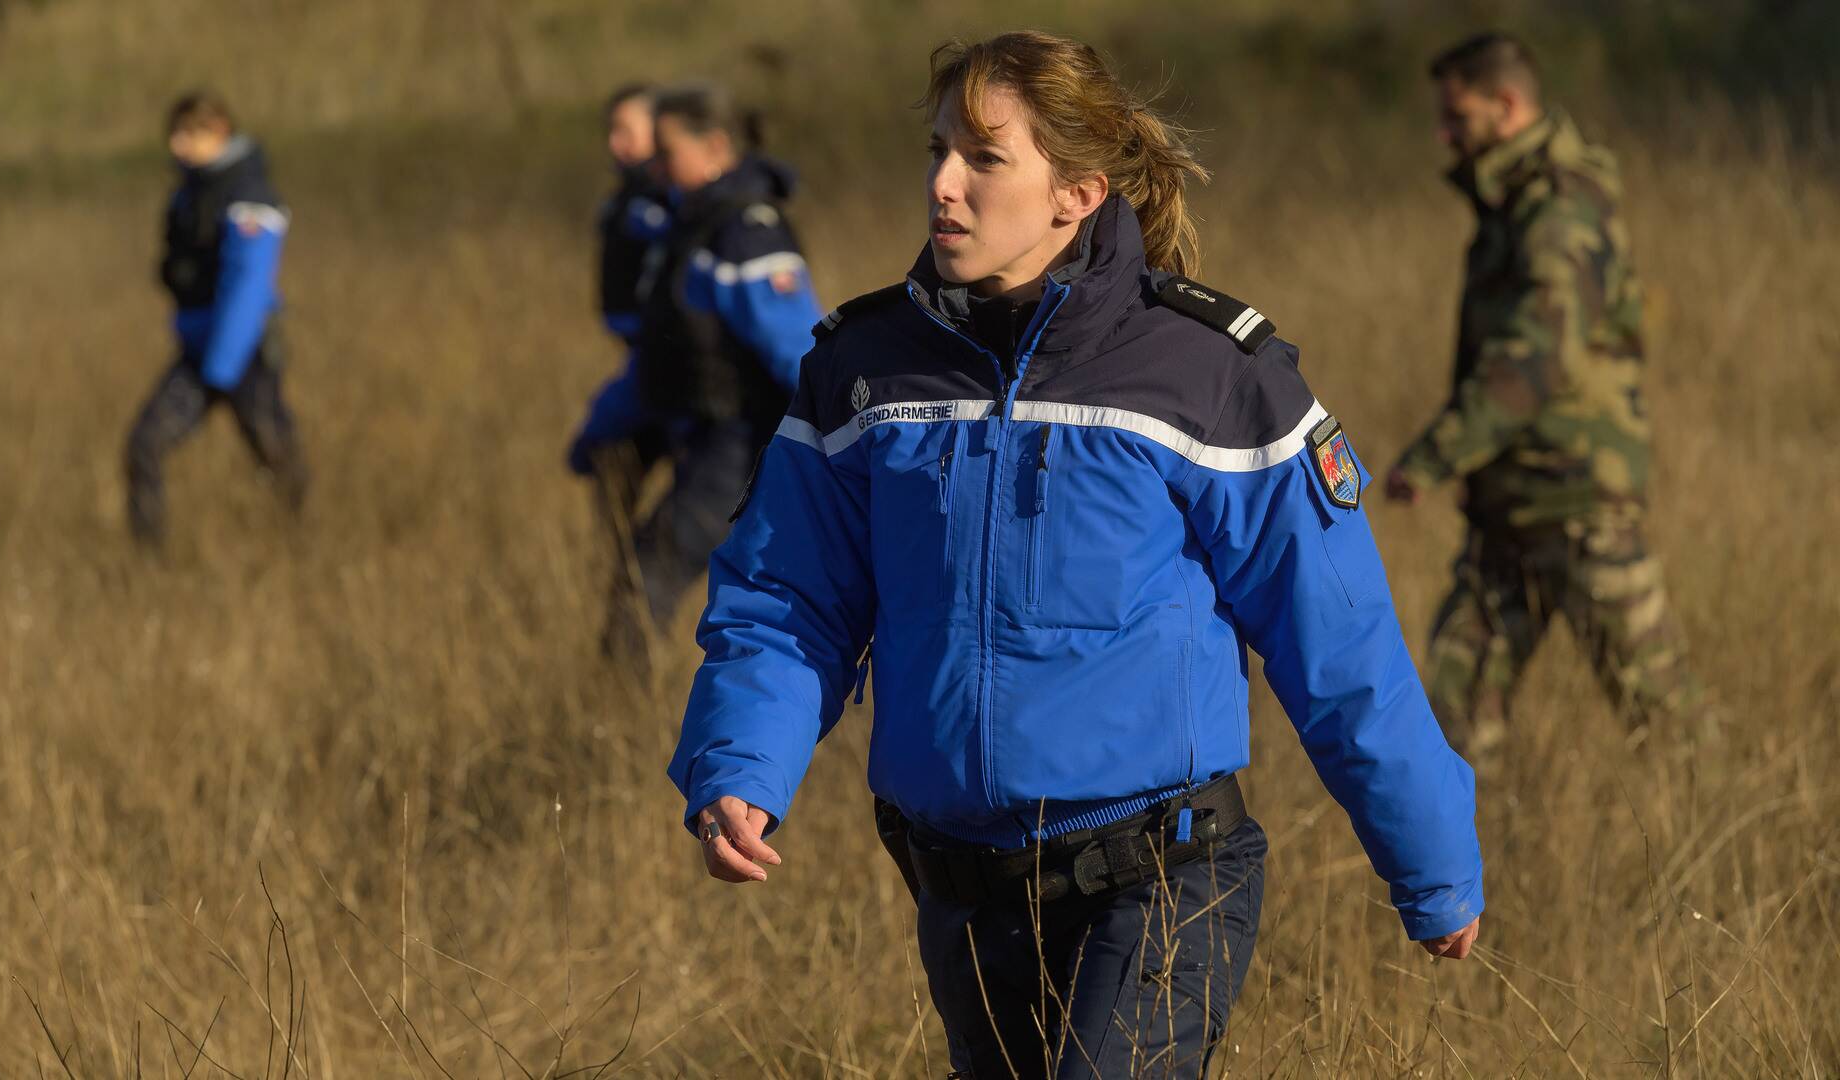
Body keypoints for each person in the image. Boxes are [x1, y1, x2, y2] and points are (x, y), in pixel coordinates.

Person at [668, 31, 1483, 1079]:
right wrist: (741, 765)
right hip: (960, 889)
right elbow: (787, 599)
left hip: (1160, 876)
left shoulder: (1209, 373)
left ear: (1078, 193)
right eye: (937, 151)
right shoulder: (861, 370)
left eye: (985, 158)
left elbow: (1341, 644)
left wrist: (1433, 864)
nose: (944, 185)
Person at [1385, 33, 1701, 753]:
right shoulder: (1516, 199)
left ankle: (1737, 846)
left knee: (1672, 731)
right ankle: (1482, 858)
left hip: (1577, 500)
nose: (1444, 135)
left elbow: (1537, 358)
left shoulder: (1559, 206)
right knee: (1454, 713)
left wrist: (1433, 458)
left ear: (1506, 104)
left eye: (1457, 118)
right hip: (1511, 506)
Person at [598, 81, 824, 644]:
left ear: (716, 147)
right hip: (704, 435)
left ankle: (612, 716)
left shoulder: (745, 234)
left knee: (647, 574)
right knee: (649, 569)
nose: (656, 167)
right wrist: (599, 432)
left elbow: (799, 352)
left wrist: (841, 452)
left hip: (742, 445)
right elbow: (666, 349)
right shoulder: (692, 225)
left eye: (667, 152)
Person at [127, 92, 306, 547]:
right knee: (143, 446)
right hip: (197, 349)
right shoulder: (186, 196)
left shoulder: (248, 195)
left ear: (220, 131)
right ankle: (148, 564)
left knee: (278, 458)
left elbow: (248, 285)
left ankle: (299, 545)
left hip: (243, 357)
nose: (179, 144)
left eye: (191, 133)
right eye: (175, 133)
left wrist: (222, 367)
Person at [569, 83, 675, 519]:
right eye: (610, 131)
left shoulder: (675, 204)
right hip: (639, 362)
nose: (615, 143)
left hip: (672, 369)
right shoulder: (621, 202)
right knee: (609, 474)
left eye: (626, 130)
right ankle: (618, 577)